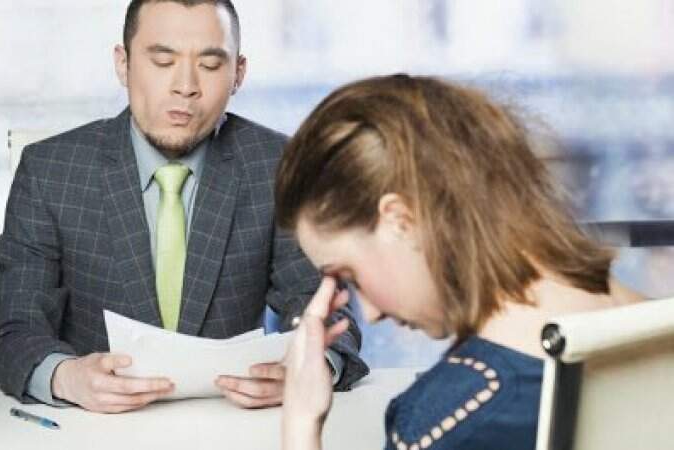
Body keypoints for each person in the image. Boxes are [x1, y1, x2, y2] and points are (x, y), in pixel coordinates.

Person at [0, 0, 368, 414]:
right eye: (163, 61)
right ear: (123, 64)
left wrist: (310, 368)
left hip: (233, 423)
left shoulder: (281, 166)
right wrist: (66, 377)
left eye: (210, 64)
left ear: (238, 74)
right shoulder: (49, 171)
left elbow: (324, 306)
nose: (185, 86)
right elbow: (14, 329)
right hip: (93, 427)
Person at [274, 75, 643, 449]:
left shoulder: (452, 417)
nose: (370, 314)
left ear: (401, 220)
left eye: (350, 276)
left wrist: (301, 420)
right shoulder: (649, 321)